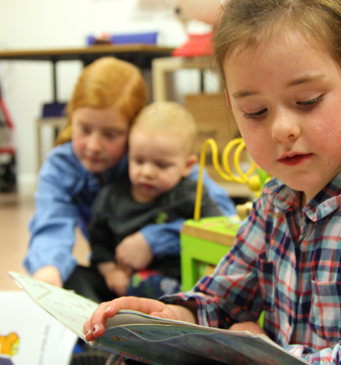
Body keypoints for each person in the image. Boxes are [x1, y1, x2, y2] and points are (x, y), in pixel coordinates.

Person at [84, 1, 341, 364]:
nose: (281, 129)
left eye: (308, 100)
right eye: (255, 111)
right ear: (232, 106)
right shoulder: (276, 201)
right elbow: (219, 299)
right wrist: (176, 318)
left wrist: (256, 354)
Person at [24, 57, 236, 301]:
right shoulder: (61, 166)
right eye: (83, 129)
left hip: (172, 276)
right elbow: (51, 227)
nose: (93, 146)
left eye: (111, 134)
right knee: (72, 280)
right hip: (118, 277)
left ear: (134, 130)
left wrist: (153, 239)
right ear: (71, 118)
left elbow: (224, 221)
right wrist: (48, 269)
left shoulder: (157, 157)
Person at [88, 101, 225, 301]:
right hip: (123, 285)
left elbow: (216, 228)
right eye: (139, 161)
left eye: (161, 165)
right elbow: (99, 243)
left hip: (181, 284)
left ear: (187, 166)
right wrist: (110, 271)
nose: (147, 172)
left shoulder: (191, 194)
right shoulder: (112, 196)